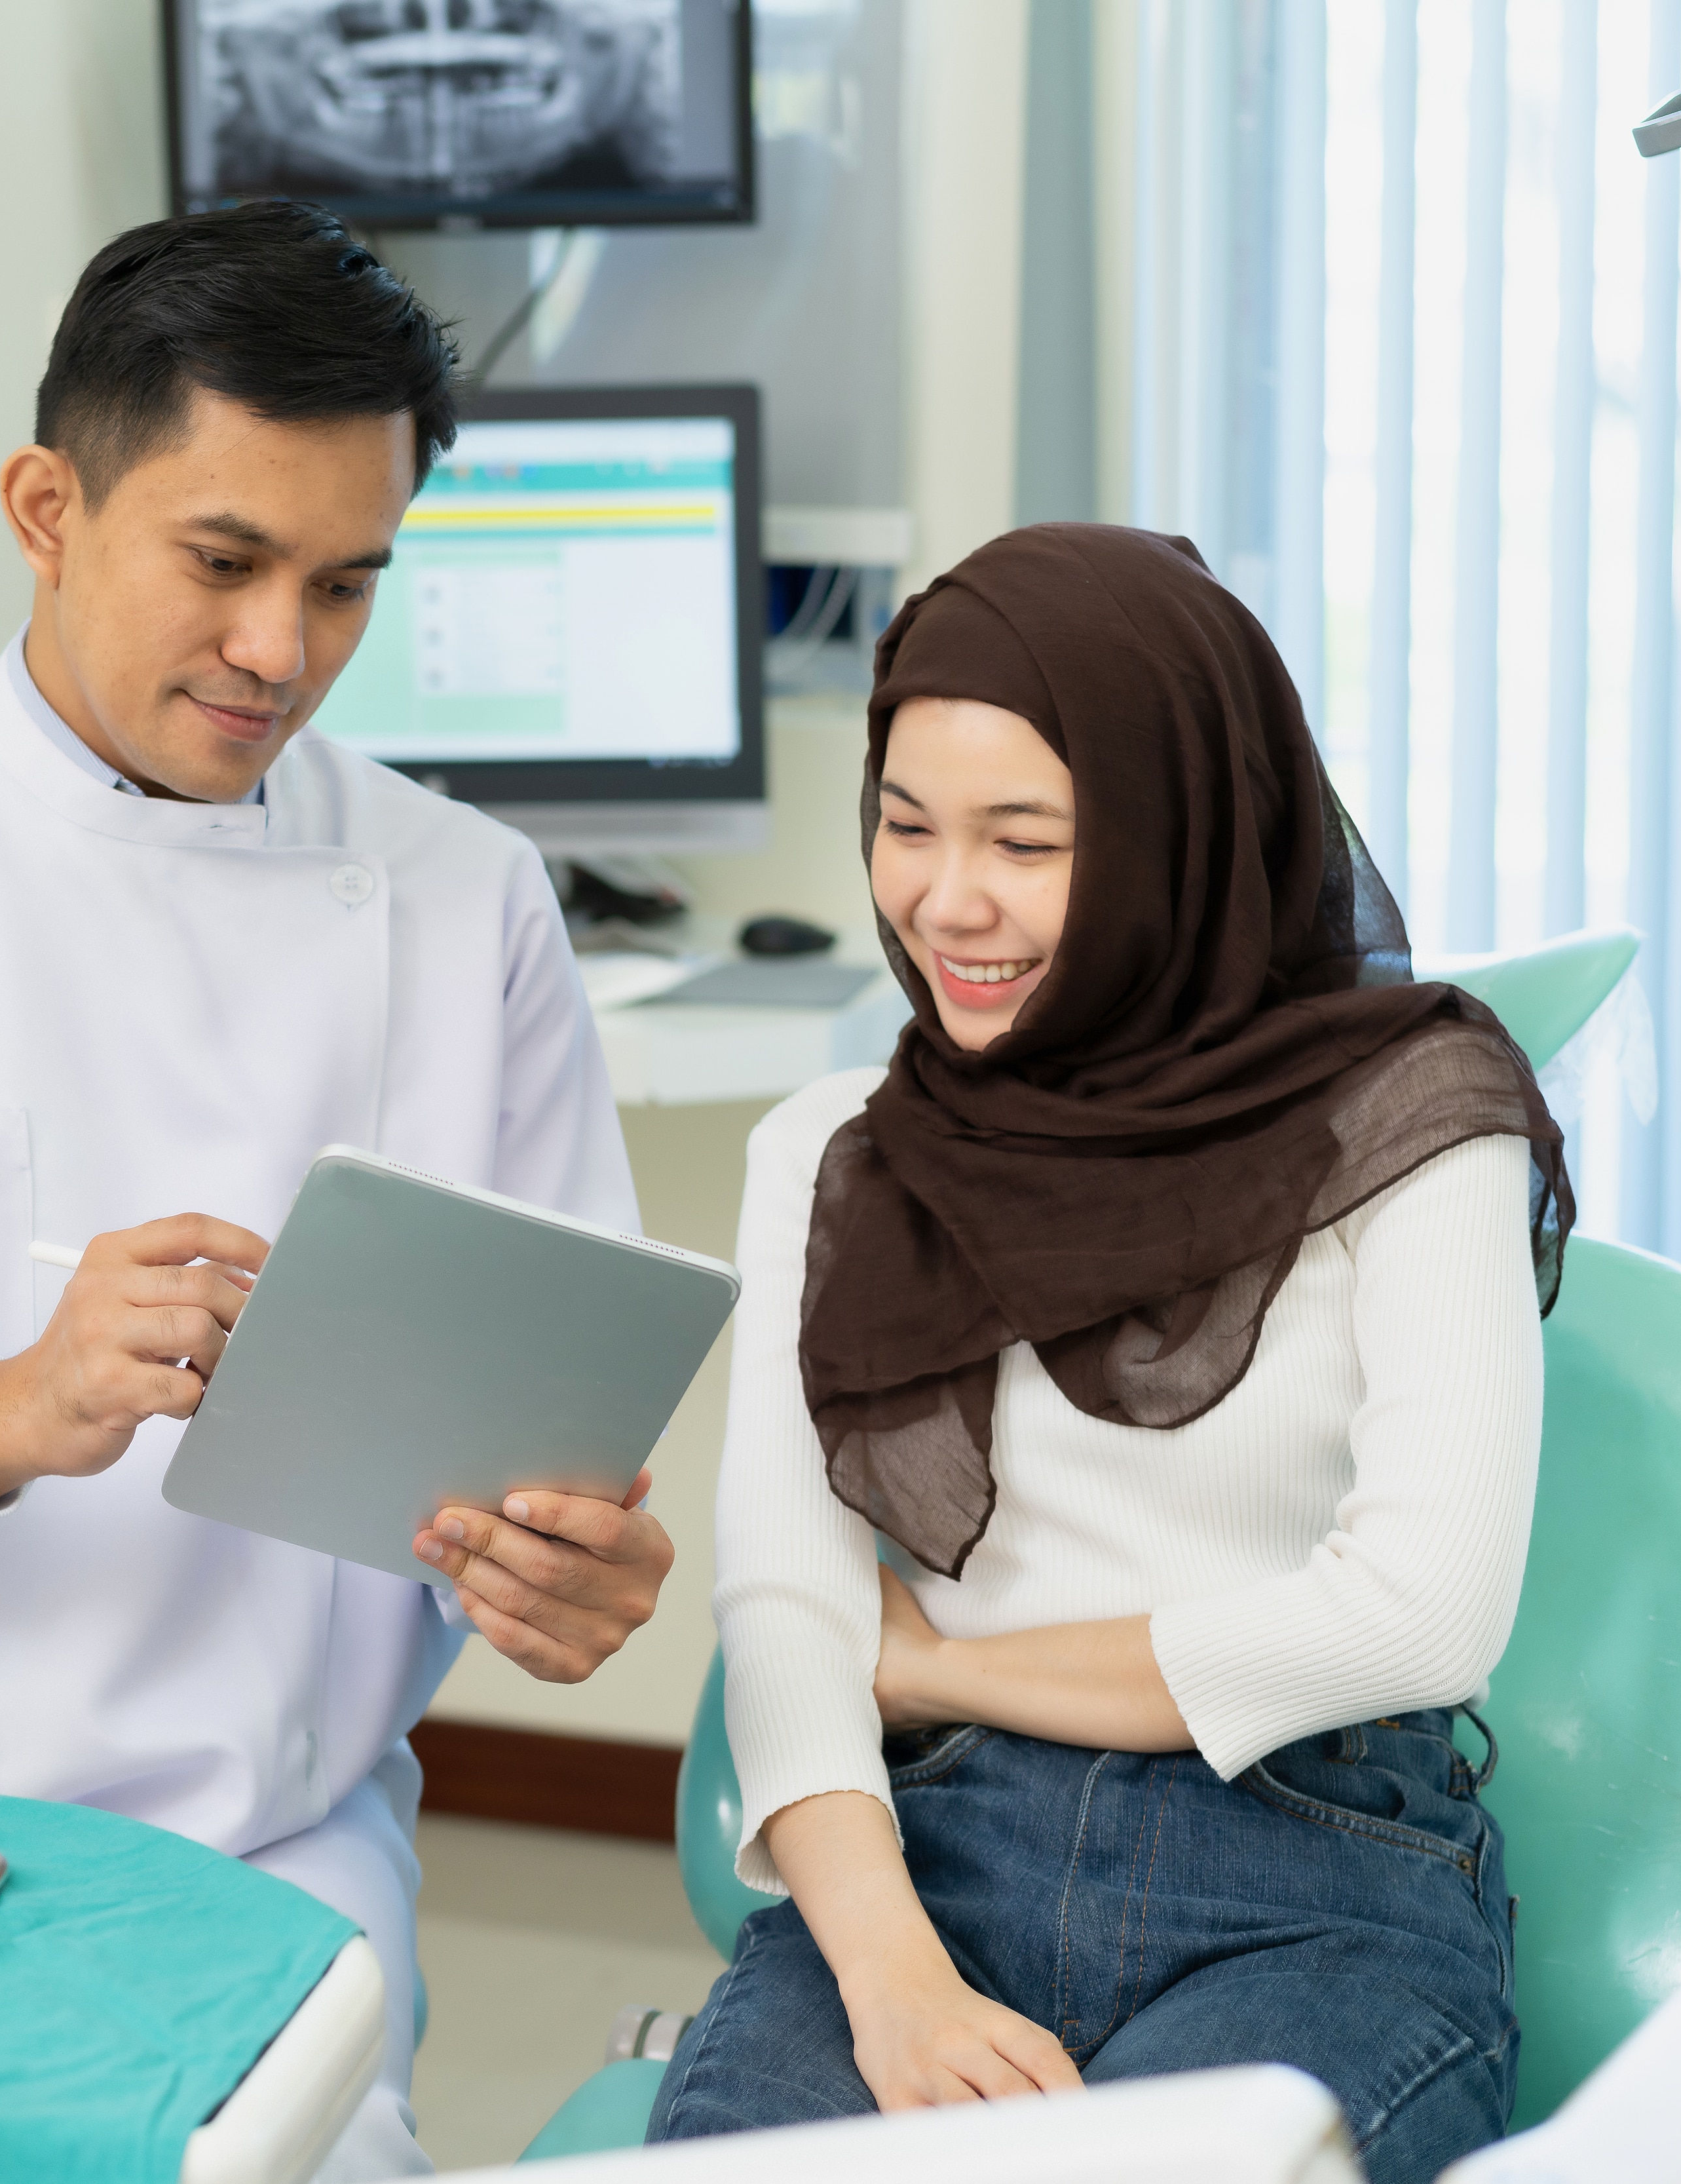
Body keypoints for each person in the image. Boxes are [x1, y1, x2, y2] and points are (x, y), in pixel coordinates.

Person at [0, 202, 677, 2178]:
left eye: (346, 585)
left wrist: (556, 1573)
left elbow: (530, 1450)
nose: (283, 653)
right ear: (45, 506)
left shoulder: (464, 904)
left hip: (253, 1830)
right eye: (225, 562)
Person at [648, 525, 1572, 2180]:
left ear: (1178, 839)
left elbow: (1420, 1612)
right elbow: (788, 1612)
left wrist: (938, 1664)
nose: (948, 900)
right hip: (932, 1864)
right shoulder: (830, 1149)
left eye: (1029, 840)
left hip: (1317, 1878)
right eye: (905, 824)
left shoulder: (1420, 1126)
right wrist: (894, 1980)